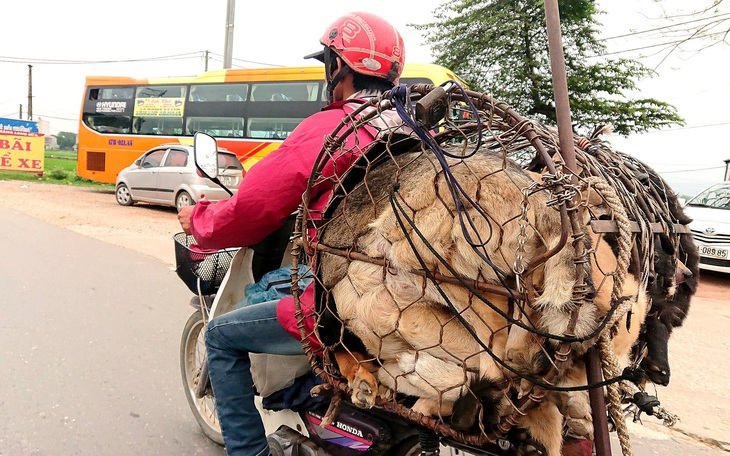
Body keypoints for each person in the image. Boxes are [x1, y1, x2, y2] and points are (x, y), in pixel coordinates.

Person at [177, 12, 405, 456]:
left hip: (345, 298)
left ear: (338, 67)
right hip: (406, 288)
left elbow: (257, 206)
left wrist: (201, 221)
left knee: (221, 336)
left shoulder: (334, 127)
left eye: (328, 64)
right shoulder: (414, 130)